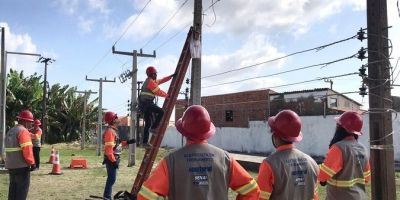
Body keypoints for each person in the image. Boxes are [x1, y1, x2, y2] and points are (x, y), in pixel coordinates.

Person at [138, 105, 260, 200]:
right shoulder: (225, 159)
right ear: (208, 131)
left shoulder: (171, 162)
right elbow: (252, 190)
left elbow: (146, 196)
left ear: (183, 131)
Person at [258, 110, 319, 200]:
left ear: (275, 136)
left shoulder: (269, 164)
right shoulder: (312, 162)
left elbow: (261, 197)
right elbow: (315, 196)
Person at [318, 111, 370, 200]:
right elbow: (366, 179)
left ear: (341, 128)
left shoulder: (338, 148)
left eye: (338, 125)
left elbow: (322, 176)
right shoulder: (363, 149)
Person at [102, 111, 135, 200]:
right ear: (113, 120)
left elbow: (117, 144)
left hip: (113, 158)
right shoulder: (110, 132)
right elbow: (109, 151)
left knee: (112, 179)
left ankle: (107, 196)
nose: (118, 119)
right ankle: (107, 197)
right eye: (116, 117)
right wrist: (113, 161)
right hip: (111, 159)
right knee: (111, 179)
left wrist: (127, 142)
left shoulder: (113, 130)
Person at [139, 66, 174, 147]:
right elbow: (158, 92)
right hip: (147, 103)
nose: (156, 75)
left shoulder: (151, 81)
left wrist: (170, 77)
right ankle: (154, 128)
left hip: (144, 105)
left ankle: (145, 143)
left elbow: (161, 80)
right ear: (151, 74)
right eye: (155, 74)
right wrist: (168, 96)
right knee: (161, 112)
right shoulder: (150, 82)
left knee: (148, 123)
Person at [5, 110, 36, 200]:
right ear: (25, 121)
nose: (31, 125)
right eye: (30, 122)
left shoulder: (10, 131)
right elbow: (27, 149)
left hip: (11, 166)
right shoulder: (23, 131)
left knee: (13, 190)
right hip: (21, 167)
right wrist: (32, 163)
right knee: (21, 192)